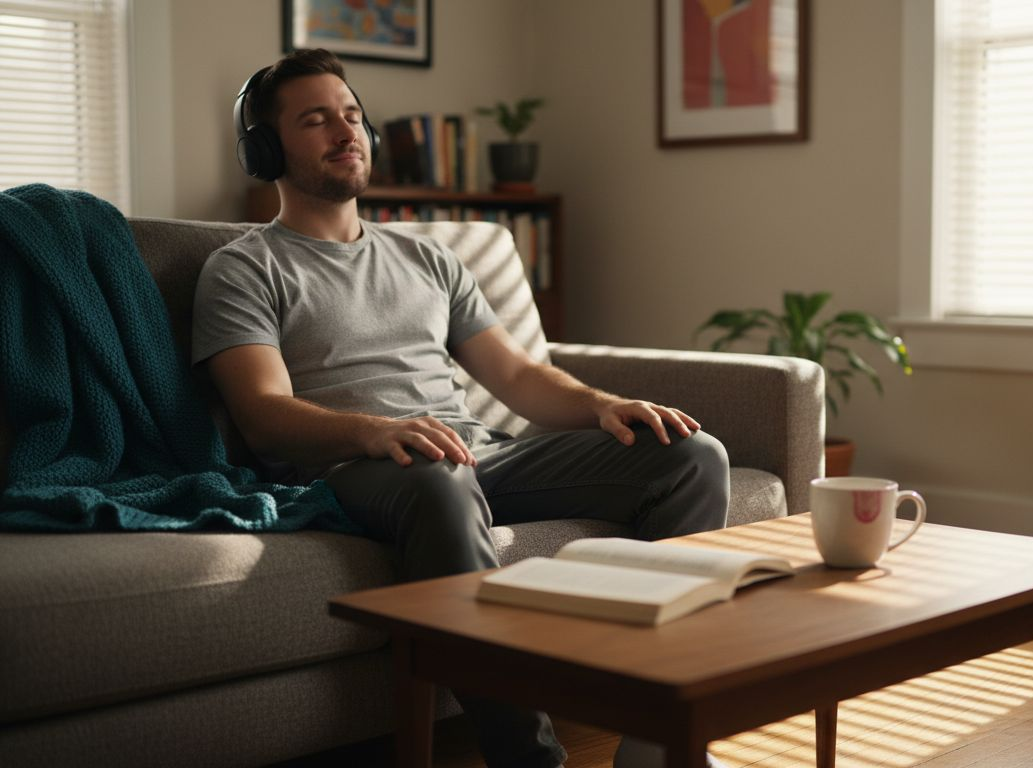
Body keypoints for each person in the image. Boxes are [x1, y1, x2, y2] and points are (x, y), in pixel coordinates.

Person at [193, 49, 730, 768]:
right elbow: (262, 412)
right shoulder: (245, 267)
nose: (344, 132)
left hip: (476, 454)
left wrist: (605, 405)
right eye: (316, 120)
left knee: (691, 456)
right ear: (265, 148)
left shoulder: (431, 260)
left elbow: (517, 376)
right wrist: (380, 430)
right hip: (355, 469)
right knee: (436, 474)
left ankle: (653, 745)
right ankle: (531, 761)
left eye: (351, 115)